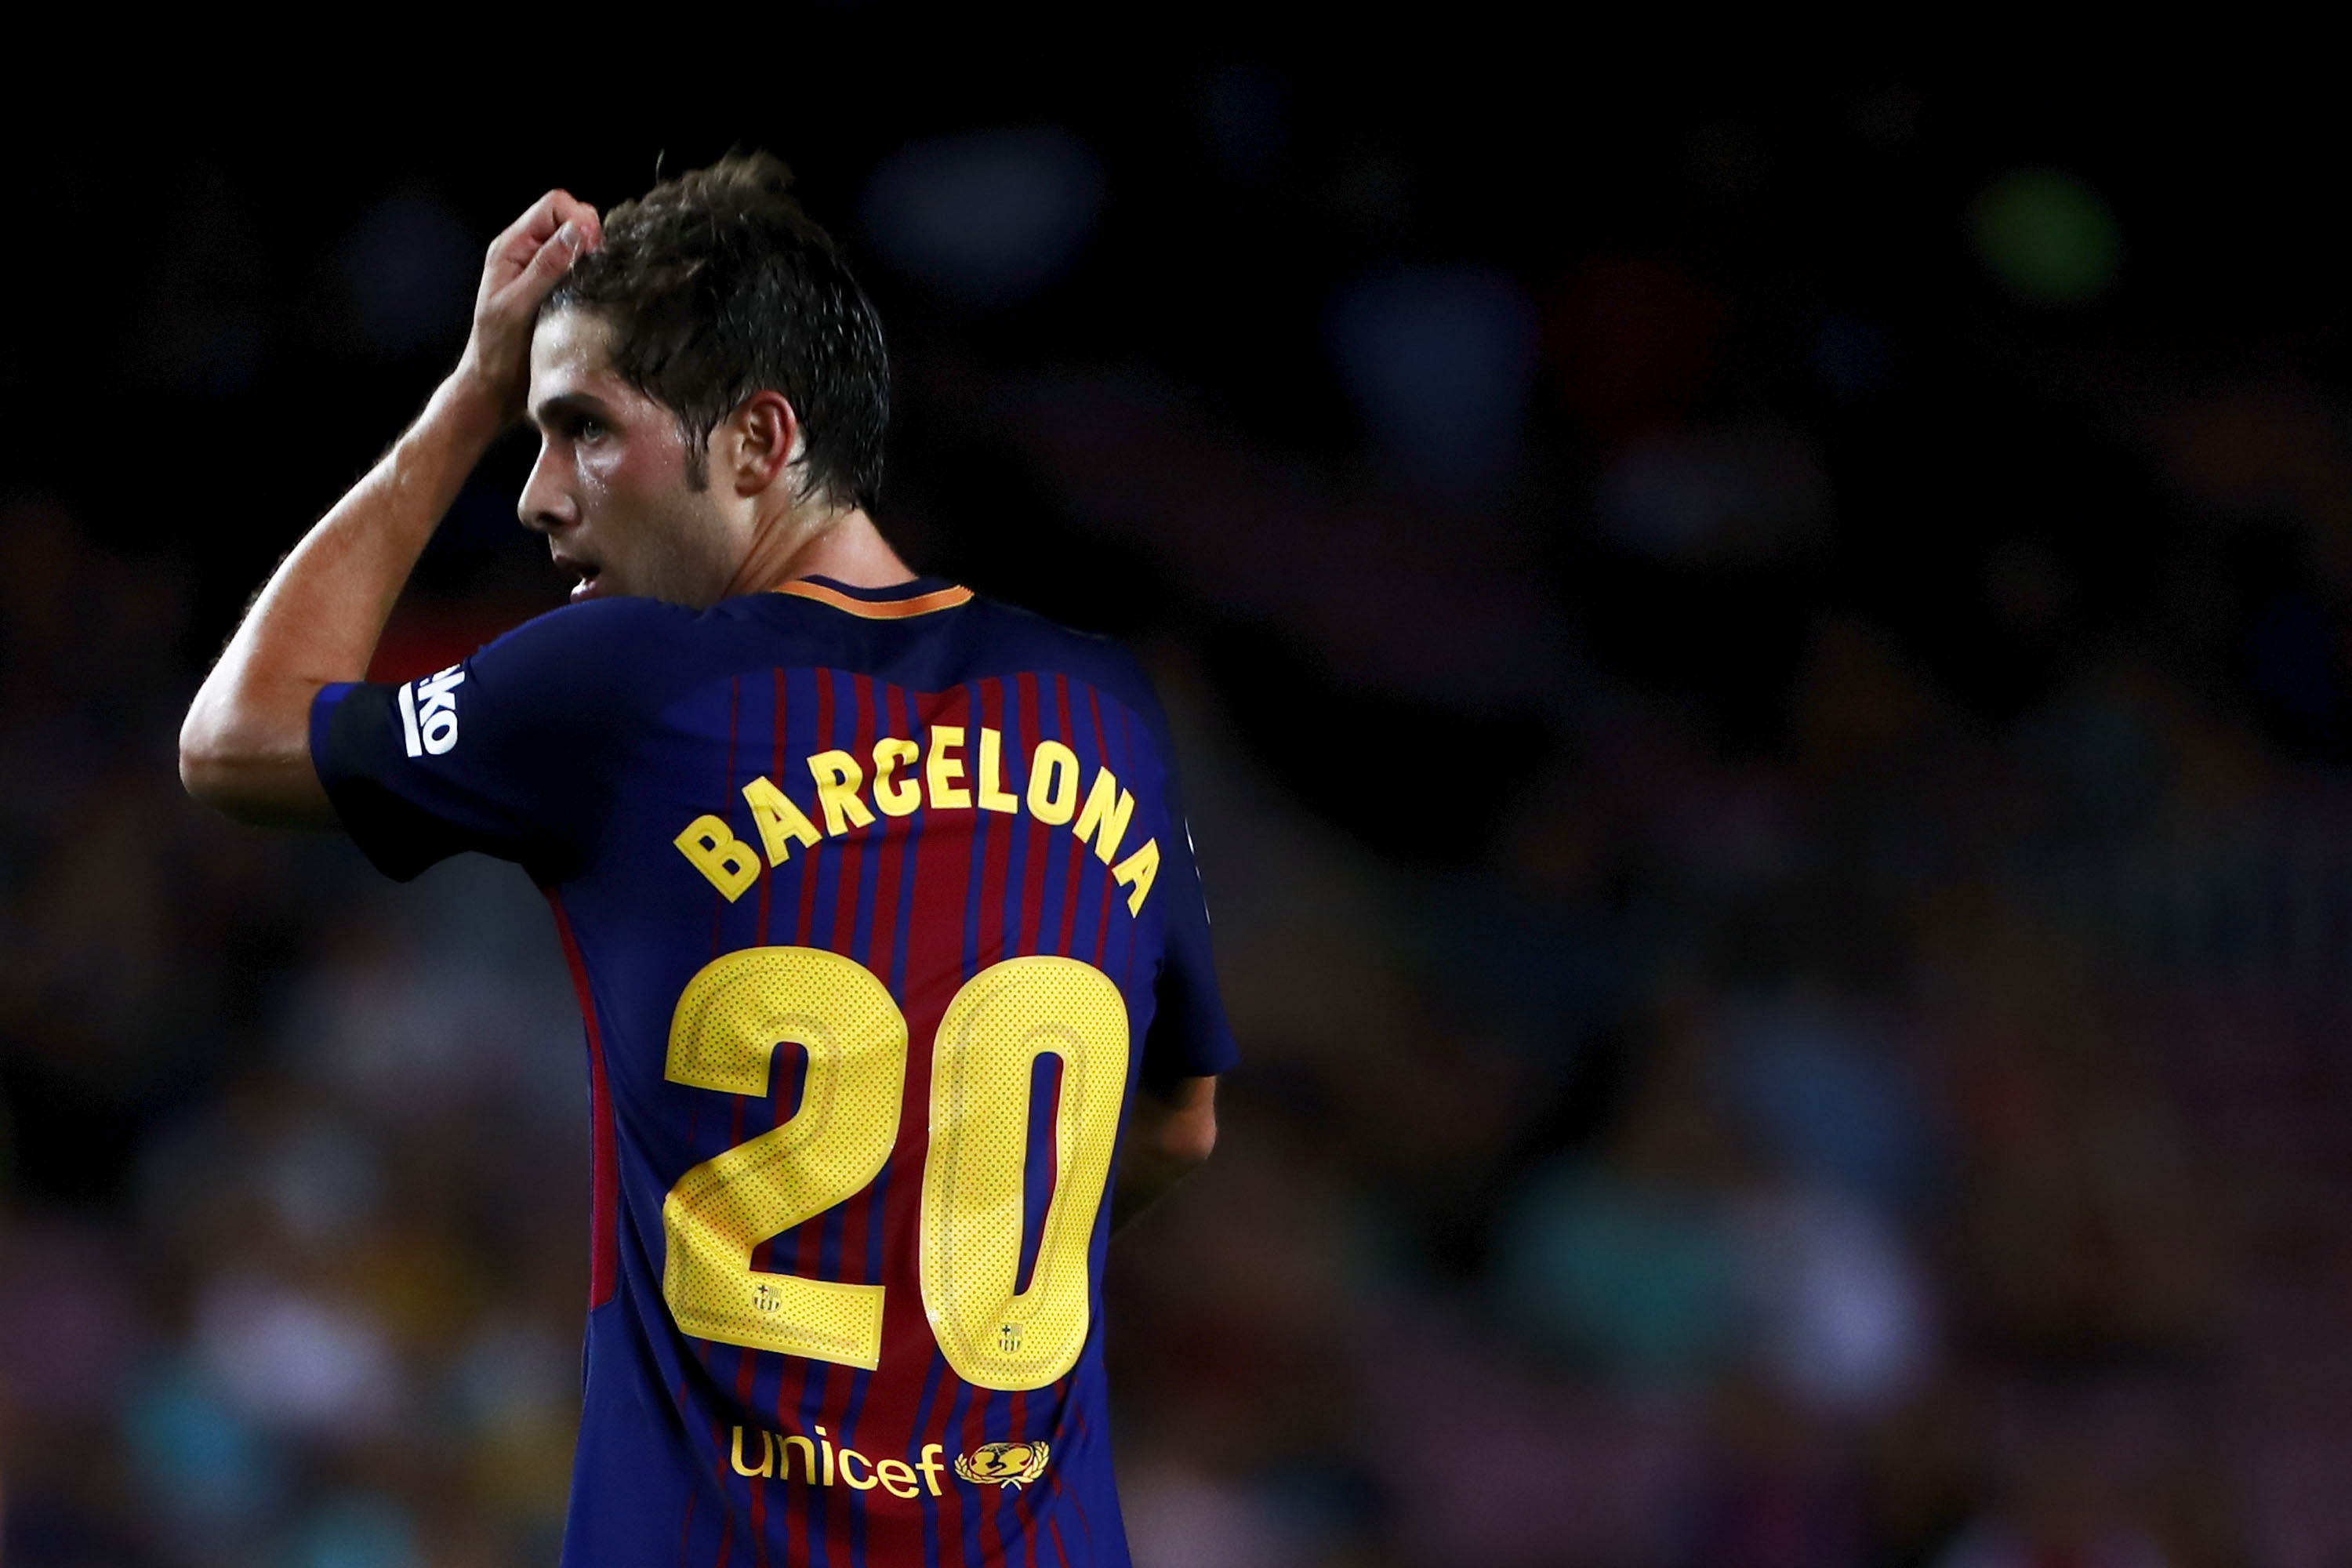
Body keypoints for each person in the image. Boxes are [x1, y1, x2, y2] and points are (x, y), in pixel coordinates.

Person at [179, 152, 1232, 1568]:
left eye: (581, 431)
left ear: (754, 444)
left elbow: (235, 740)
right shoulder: (1103, 709)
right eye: (533, 433)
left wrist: (469, 396)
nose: (539, 497)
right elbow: (1176, 1129)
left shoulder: (628, 687)